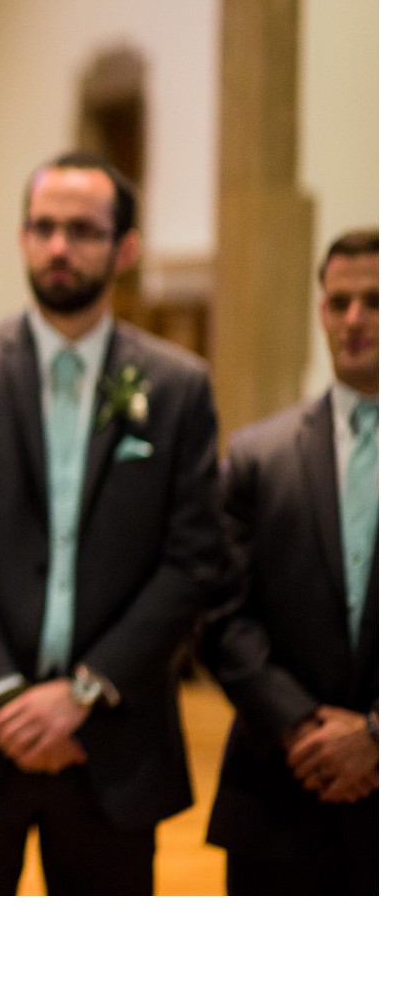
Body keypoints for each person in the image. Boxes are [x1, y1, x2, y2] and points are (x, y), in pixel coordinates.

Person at [0, 152, 222, 895]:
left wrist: (83, 696)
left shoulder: (176, 387)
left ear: (125, 249)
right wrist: (7, 696)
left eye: (82, 230)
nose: (59, 247)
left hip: (113, 744)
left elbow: (195, 558)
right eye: (43, 227)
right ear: (22, 237)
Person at [200, 228, 378, 894]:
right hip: (277, 790)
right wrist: (304, 729)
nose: (354, 319)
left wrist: (377, 736)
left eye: (376, 301)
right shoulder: (257, 456)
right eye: (339, 303)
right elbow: (221, 617)